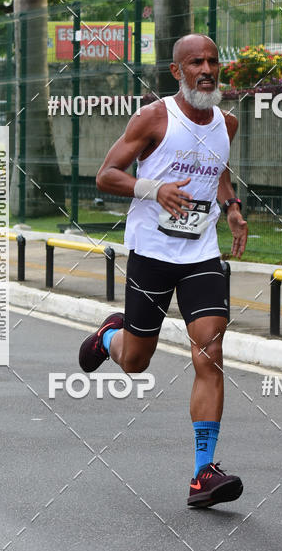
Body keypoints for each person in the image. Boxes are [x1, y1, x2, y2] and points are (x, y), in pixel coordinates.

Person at [79, 33, 248, 508]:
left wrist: (232, 208)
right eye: (196, 62)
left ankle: (203, 474)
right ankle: (109, 338)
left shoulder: (226, 124)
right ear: (178, 72)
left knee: (210, 350)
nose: (207, 69)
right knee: (136, 361)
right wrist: (154, 190)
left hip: (200, 254)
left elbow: (218, 172)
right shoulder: (154, 118)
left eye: (214, 60)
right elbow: (106, 174)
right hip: (152, 252)